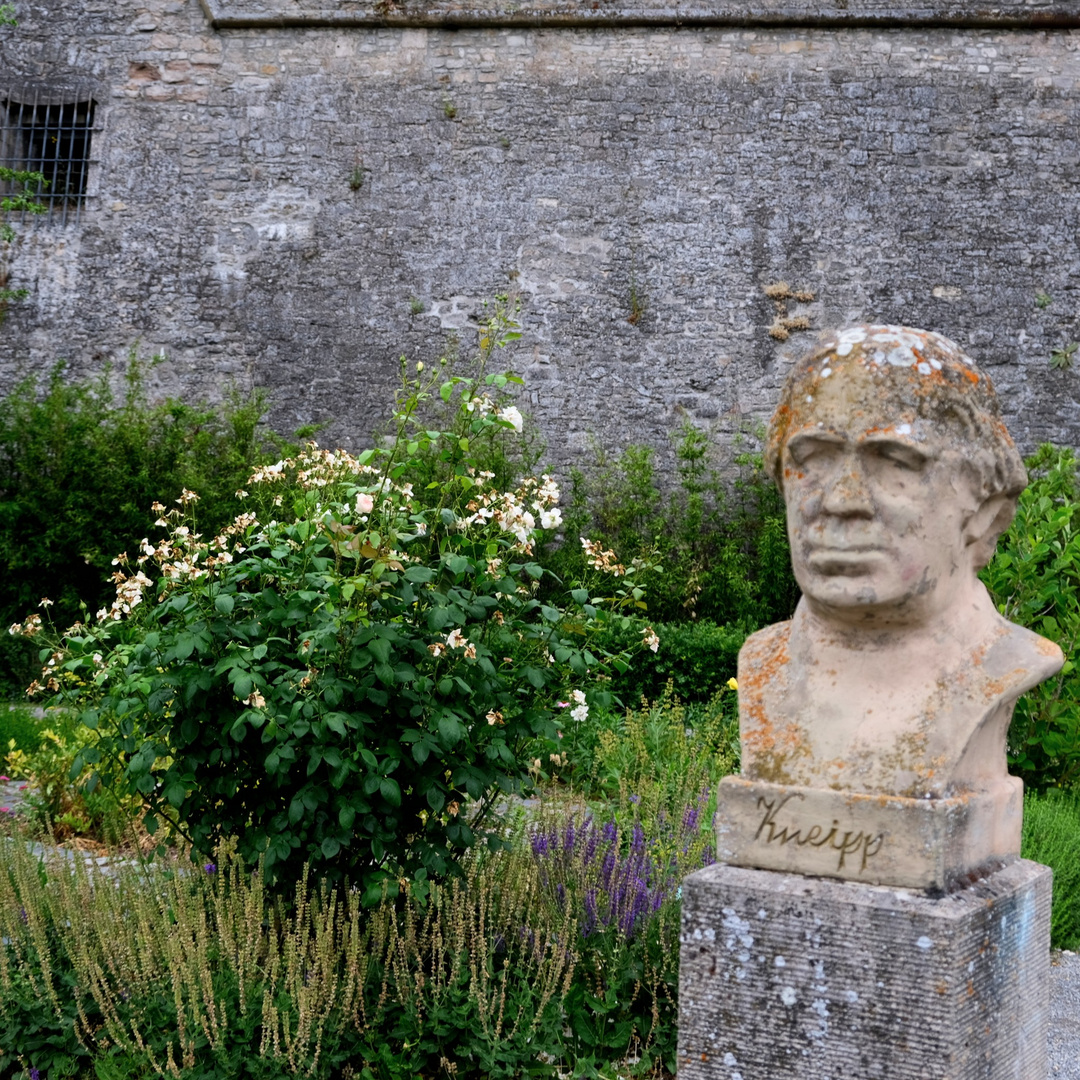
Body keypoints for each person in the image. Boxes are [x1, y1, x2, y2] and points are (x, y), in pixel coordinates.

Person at [738, 324, 1063, 800]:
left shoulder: (1006, 664)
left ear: (985, 506)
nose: (842, 500)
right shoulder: (762, 665)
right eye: (814, 459)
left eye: (894, 461)